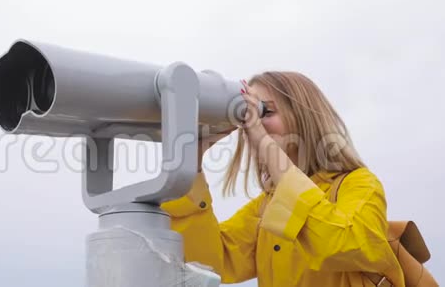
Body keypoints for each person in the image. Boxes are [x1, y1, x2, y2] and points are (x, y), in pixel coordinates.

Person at [160, 72, 405, 287]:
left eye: (265, 111)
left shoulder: (360, 185)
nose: (253, 122)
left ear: (305, 117)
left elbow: (339, 245)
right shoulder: (267, 206)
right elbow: (212, 262)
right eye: (248, 113)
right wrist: (191, 162)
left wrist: (261, 137)